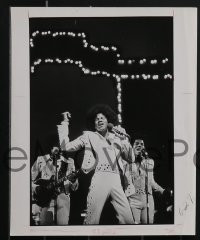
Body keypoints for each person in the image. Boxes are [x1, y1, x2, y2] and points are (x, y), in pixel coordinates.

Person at [61, 104, 135, 224]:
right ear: (94, 123)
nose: (99, 120)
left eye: (102, 118)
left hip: (116, 179)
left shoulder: (117, 137)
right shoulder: (89, 136)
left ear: (108, 121)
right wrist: (65, 122)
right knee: (91, 219)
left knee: (128, 220)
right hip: (100, 177)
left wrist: (124, 139)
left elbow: (131, 158)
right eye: (96, 119)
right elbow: (66, 147)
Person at [31, 146, 78, 225]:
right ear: (50, 147)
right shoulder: (41, 159)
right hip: (45, 198)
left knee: (62, 228)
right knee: (45, 226)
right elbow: (29, 179)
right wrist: (37, 189)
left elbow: (74, 188)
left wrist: (73, 181)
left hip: (63, 198)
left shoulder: (69, 162)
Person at [124, 139, 167, 224]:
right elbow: (124, 182)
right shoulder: (126, 163)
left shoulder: (149, 162)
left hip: (147, 199)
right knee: (134, 229)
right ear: (132, 147)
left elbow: (152, 182)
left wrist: (163, 191)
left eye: (142, 144)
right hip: (133, 200)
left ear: (144, 147)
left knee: (148, 226)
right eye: (136, 144)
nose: (139, 145)